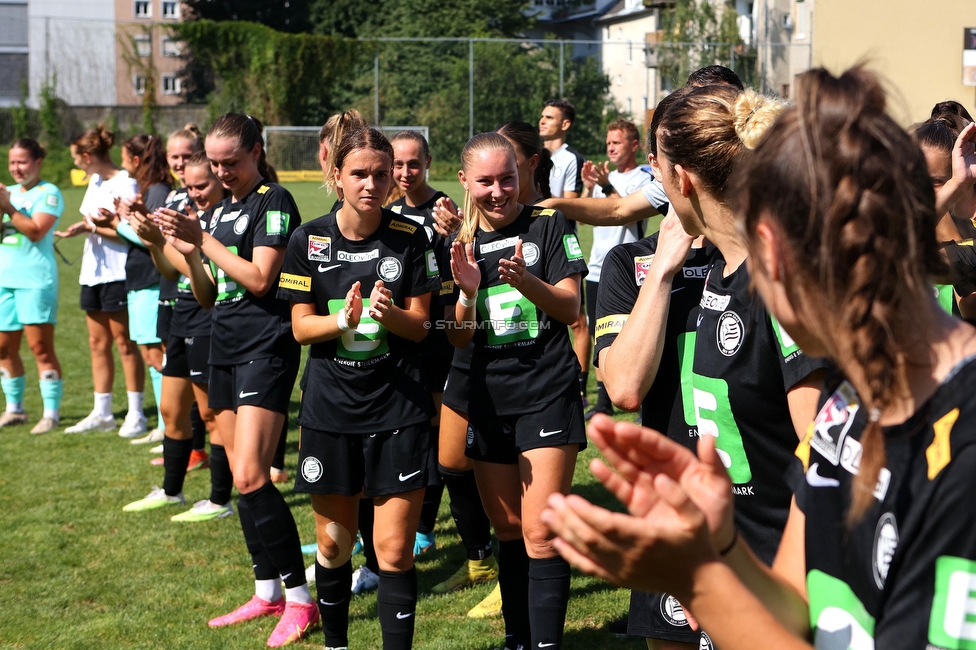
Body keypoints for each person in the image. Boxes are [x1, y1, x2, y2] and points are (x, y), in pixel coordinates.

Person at [542, 65, 976, 650]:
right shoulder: (847, 408)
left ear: (771, 251)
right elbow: (796, 607)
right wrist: (715, 551)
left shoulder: (961, 438)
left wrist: (696, 582)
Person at [157, 113, 315, 647]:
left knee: (251, 476)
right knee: (244, 478)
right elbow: (207, 293)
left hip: (264, 348)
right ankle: (265, 589)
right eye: (215, 163)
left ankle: (300, 601)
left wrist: (205, 241)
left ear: (256, 151)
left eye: (231, 162)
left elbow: (261, 277)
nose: (222, 172)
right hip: (221, 344)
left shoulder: (274, 200)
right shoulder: (220, 210)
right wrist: (191, 254)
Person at [278, 127, 438, 650]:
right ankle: (337, 645)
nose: (372, 183)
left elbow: (421, 327)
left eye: (381, 172)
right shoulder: (308, 239)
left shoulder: (411, 239)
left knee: (393, 553)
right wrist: (341, 321)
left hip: (399, 408)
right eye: (359, 173)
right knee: (333, 546)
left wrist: (389, 315)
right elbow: (301, 329)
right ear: (337, 176)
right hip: (331, 411)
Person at [443, 131, 587, 650]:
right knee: (507, 533)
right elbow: (456, 337)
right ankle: (517, 639)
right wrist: (467, 292)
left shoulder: (548, 224)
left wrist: (528, 283)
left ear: (521, 173)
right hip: (487, 398)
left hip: (546, 390)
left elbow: (572, 310)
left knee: (541, 534)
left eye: (507, 178)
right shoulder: (457, 243)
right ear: (465, 182)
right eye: (485, 182)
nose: (499, 191)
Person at [387, 130, 499, 598]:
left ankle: (473, 549)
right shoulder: (385, 211)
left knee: (444, 445)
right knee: (412, 437)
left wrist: (454, 231)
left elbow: (462, 272)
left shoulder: (446, 209)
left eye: (414, 163)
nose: (405, 172)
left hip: (439, 338)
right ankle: (419, 530)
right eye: (398, 164)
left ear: (428, 163)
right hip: (398, 338)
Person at [123, 150, 234, 522]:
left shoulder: (227, 219)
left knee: (211, 412)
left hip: (210, 317)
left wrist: (180, 245)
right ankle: (172, 492)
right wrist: (155, 241)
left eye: (202, 185)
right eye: (189, 186)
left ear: (220, 179)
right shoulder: (188, 213)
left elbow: (212, 279)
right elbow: (170, 272)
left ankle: (221, 500)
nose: (195, 193)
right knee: (172, 409)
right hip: (182, 315)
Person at [57, 125, 145, 436]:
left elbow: (131, 234)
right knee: (97, 343)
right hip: (92, 272)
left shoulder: (127, 182)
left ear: (87, 156)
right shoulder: (94, 181)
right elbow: (94, 220)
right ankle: (102, 412)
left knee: (125, 344)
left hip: (119, 272)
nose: (76, 165)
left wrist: (93, 229)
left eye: (76, 159)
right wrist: (80, 228)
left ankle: (136, 414)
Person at [580, 118, 653, 421]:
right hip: (597, 268)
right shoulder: (603, 180)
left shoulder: (642, 178)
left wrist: (606, 185)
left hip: (628, 270)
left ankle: (644, 399)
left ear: (634, 145)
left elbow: (624, 213)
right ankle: (602, 403)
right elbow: (587, 217)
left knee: (635, 336)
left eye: (617, 142)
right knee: (602, 337)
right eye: (608, 142)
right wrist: (589, 189)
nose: (610, 148)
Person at [105, 133, 174, 441]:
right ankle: (165, 424)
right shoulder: (149, 190)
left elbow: (153, 239)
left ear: (136, 160)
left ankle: (168, 426)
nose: (122, 164)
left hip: (151, 281)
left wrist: (121, 221)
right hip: (141, 281)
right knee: (151, 355)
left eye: (124, 157)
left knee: (157, 355)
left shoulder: (157, 191)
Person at [0, 139, 64, 434]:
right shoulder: (8, 192)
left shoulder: (48, 193)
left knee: (40, 347)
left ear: (38, 161)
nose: (16, 168)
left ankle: (51, 413)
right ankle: (14, 409)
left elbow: (37, 231)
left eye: (22, 162)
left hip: (35, 281)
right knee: (2, 348)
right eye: (12, 162)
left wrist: (8, 207)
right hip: (5, 281)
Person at [539, 99, 590, 403]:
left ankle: (581, 386)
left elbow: (568, 205)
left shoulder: (570, 159)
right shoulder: (536, 155)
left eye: (550, 117)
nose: (542, 121)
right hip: (534, 243)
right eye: (542, 116)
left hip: (560, 244)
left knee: (576, 319)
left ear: (565, 124)